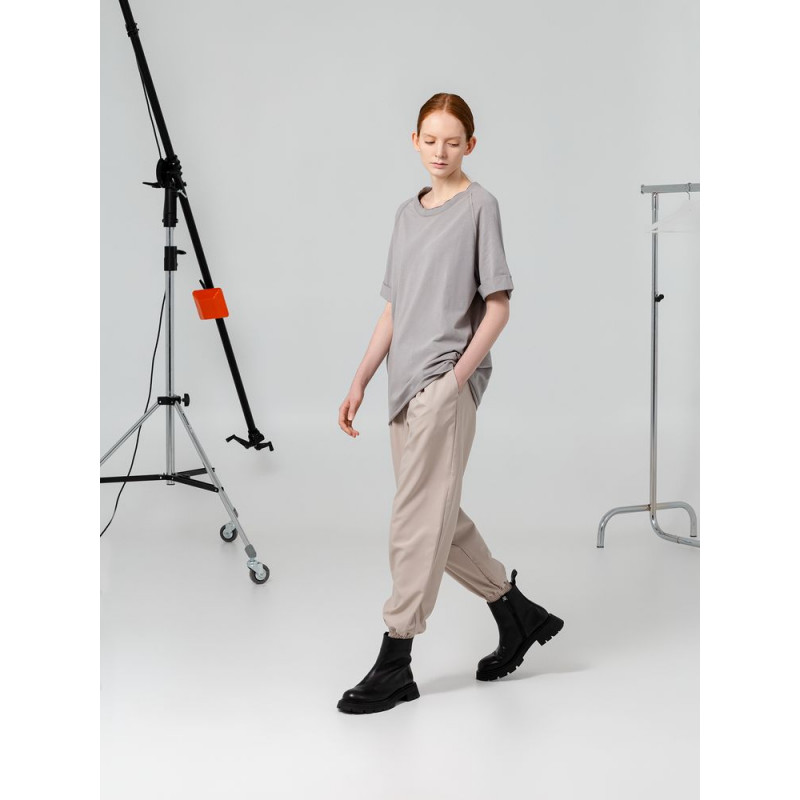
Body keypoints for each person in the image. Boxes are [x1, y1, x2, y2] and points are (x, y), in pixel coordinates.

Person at [336, 93, 564, 715]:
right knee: (436, 512)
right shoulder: (405, 214)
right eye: (431, 140)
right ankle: (517, 613)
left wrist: (457, 378)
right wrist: (361, 379)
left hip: (442, 385)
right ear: (415, 141)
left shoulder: (480, 206)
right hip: (401, 386)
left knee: (415, 519)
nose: (441, 151)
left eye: (453, 141)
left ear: (470, 145)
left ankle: (396, 659)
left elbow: (499, 305)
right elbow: (394, 308)